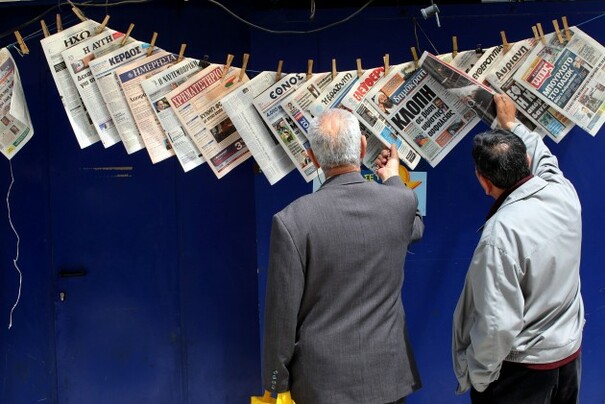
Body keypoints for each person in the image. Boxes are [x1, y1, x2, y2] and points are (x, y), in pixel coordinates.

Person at [262, 108, 424, 404]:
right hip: (387, 380)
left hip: (321, 386)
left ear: (312, 158)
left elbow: (281, 315)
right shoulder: (399, 203)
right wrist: (392, 178)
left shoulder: (291, 221)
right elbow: (415, 226)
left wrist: (277, 381)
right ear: (362, 147)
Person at [452, 93, 585, 403]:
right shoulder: (563, 193)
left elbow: (496, 325)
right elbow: (545, 159)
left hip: (522, 374)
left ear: (483, 182)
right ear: (526, 162)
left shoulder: (499, 236)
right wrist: (512, 124)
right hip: (568, 359)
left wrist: (480, 379)